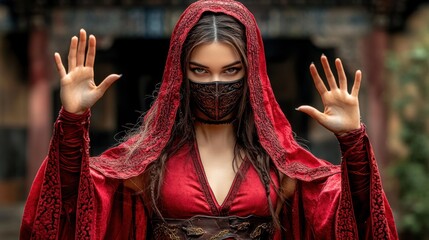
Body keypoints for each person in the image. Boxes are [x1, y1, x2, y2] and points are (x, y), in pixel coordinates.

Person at [20, 0, 398, 239]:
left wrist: (351, 139)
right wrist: (73, 120)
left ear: (251, 76)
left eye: (231, 71)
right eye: (200, 72)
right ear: (179, 76)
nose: (216, 85)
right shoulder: (145, 164)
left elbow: (358, 220)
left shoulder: (281, 166)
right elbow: (68, 210)